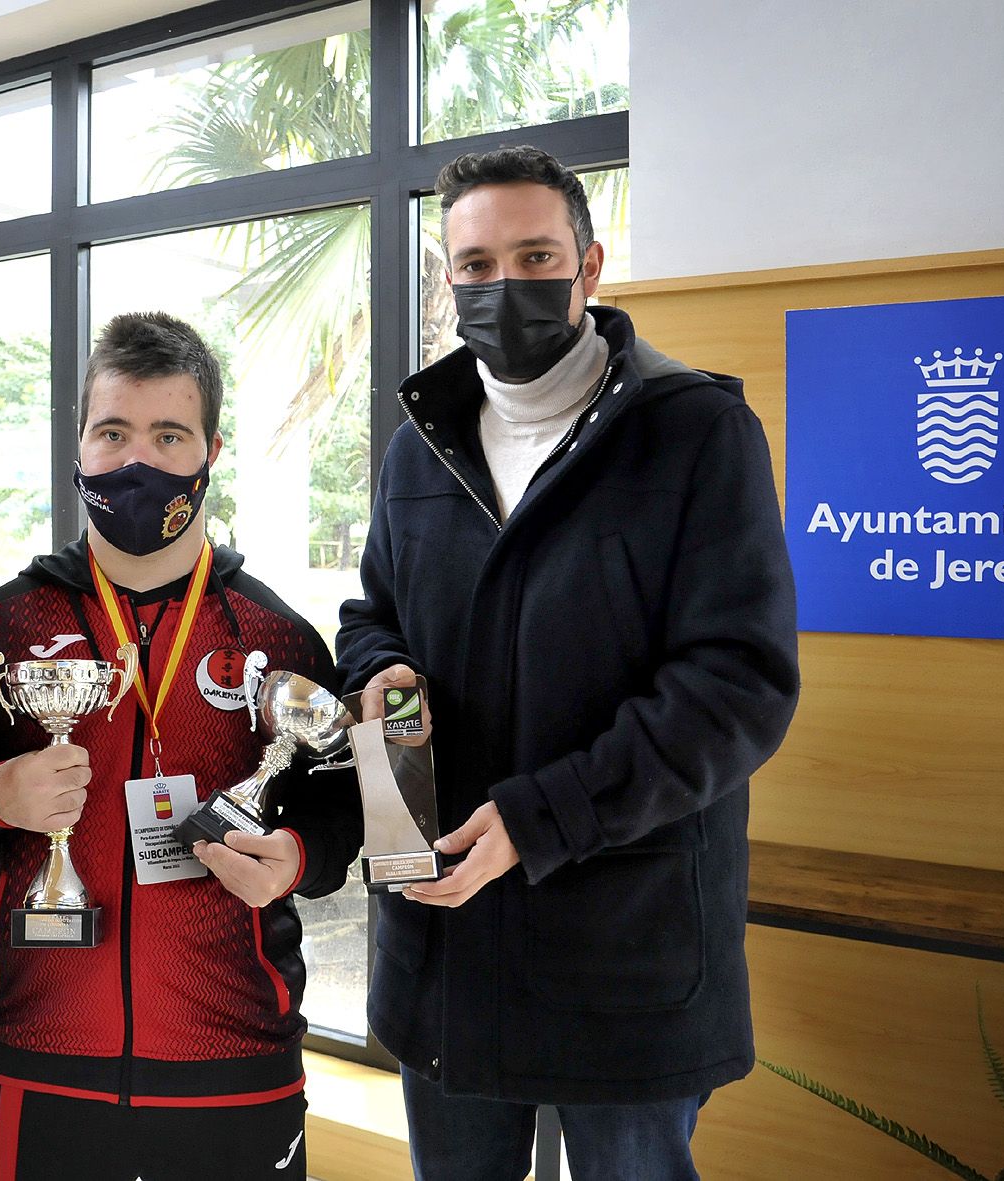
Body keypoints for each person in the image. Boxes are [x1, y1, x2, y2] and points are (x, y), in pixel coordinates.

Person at [335, 145, 800, 1180]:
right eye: (475, 265)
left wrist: (542, 816)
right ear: (448, 277)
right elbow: (370, 615)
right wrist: (377, 677)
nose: (504, 287)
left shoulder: (697, 433)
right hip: (447, 946)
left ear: (588, 267)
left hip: (624, 951)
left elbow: (737, 683)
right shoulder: (419, 445)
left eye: (534, 254)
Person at [0, 311, 363, 1180]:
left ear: (210, 449)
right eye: (113, 432)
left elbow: (338, 811)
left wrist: (294, 857)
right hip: (42, 1051)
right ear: (79, 445)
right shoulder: (3, 627)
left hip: (236, 1057)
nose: (136, 461)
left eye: (168, 435)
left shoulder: (276, 635)